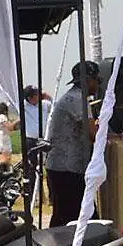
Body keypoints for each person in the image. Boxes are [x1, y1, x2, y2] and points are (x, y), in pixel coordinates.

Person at [45, 61, 100, 226]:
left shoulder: (74, 98)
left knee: (66, 216)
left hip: (64, 168)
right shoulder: (77, 100)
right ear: (88, 80)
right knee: (75, 218)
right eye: (97, 80)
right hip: (66, 169)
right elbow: (94, 134)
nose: (98, 85)